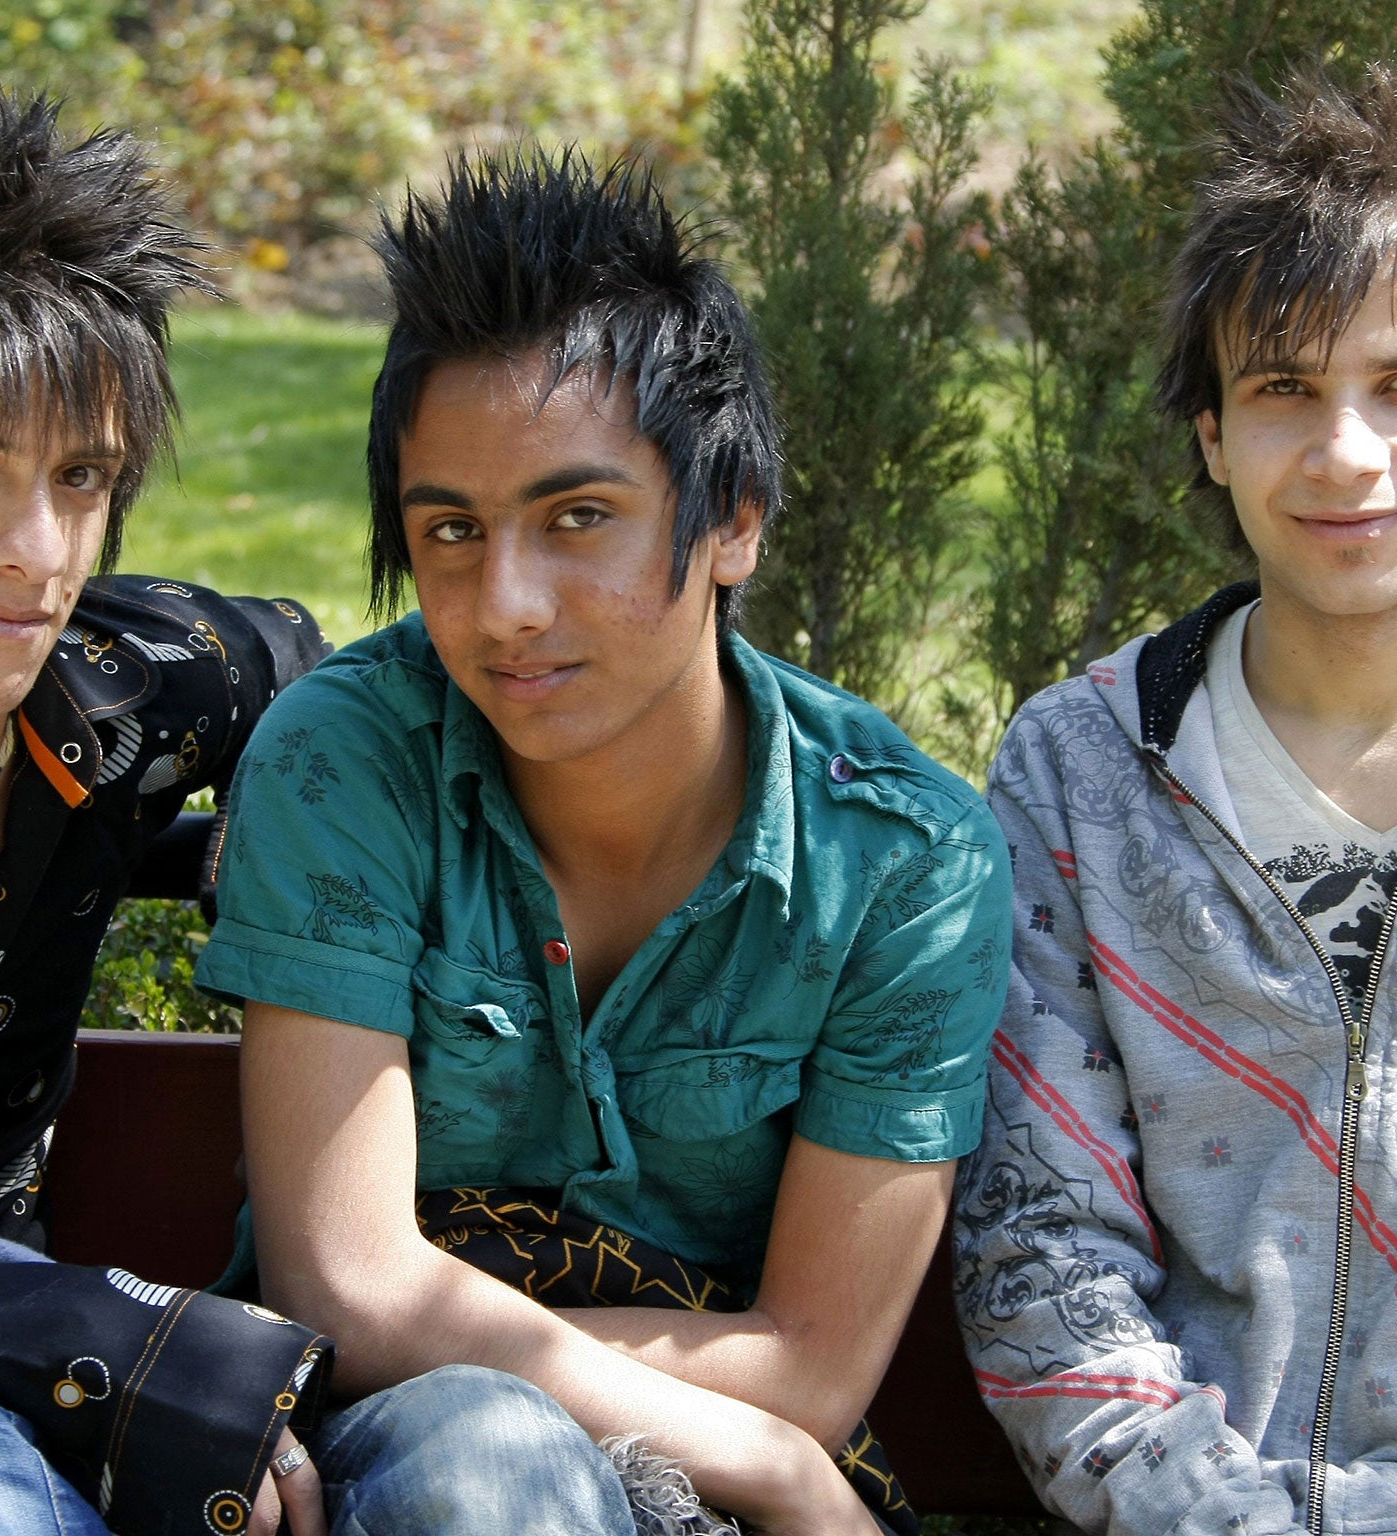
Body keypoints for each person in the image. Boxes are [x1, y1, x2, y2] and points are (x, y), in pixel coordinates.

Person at [0, 82, 634, 1536]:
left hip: (26, 1437)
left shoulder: (144, 690)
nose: (36, 550)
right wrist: (101, 1348)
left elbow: (353, 719)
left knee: (469, 1451)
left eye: (80, 477)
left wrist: (273, 861)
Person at [195, 147, 1012, 1536]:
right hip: (383, 1464)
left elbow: (813, 1365)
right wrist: (779, 1465)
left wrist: (769, 1450)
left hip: (701, 1488)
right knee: (483, 1453)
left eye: (579, 519)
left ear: (732, 521)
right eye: (450, 531)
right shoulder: (350, 764)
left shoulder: (901, 861)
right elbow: (340, 1289)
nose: (505, 604)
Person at [953, 66, 1397, 1536]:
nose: (1345, 454)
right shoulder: (1082, 774)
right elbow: (1041, 1253)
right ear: (1212, 434)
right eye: (1282, 389)